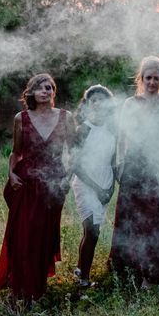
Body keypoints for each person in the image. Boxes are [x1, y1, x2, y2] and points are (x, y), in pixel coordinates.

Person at [0, 73, 75, 301]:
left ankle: (37, 285)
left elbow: (74, 152)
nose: (45, 91)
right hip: (26, 185)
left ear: (54, 92)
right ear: (31, 92)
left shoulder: (65, 117)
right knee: (23, 236)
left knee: (44, 236)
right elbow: (16, 152)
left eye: (49, 87)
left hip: (53, 184)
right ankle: (22, 288)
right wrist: (10, 173)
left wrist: (66, 178)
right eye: (40, 87)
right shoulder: (22, 118)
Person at [109, 56, 159, 288]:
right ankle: (132, 269)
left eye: (156, 78)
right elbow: (122, 136)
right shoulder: (131, 103)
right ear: (141, 79)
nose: (152, 82)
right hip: (136, 165)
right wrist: (119, 165)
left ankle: (154, 270)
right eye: (148, 78)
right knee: (135, 218)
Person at [70, 85, 117, 288]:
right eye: (93, 100)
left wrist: (110, 188)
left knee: (92, 231)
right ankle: (83, 280)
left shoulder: (113, 130)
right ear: (87, 105)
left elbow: (115, 161)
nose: (97, 103)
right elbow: (75, 165)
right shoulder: (83, 129)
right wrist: (97, 188)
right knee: (92, 230)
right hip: (86, 183)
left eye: (101, 100)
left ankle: (81, 268)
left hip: (106, 182)